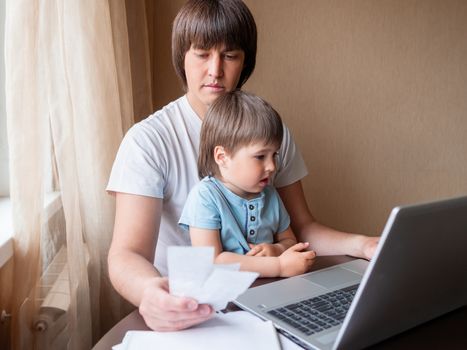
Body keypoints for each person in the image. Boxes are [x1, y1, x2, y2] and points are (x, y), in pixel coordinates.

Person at [107, 0, 379, 332]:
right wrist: (150, 292)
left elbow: (301, 228)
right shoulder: (148, 141)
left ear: (245, 61)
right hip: (189, 310)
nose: (215, 71)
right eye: (202, 54)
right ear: (182, 56)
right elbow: (127, 254)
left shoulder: (268, 135)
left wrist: (362, 244)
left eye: (230, 56)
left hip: (266, 301)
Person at [179, 90, 316, 277]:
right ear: (222, 157)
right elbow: (211, 261)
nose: (272, 166)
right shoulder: (205, 197)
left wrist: (276, 249)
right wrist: (279, 266)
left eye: (274, 155)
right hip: (224, 298)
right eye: (260, 156)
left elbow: (289, 240)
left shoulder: (270, 195)